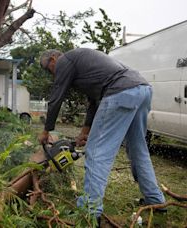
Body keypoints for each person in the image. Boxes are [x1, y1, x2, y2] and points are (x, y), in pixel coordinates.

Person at [37, 48, 165, 220]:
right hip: (142, 89)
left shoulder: (64, 61)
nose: (52, 74)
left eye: (48, 69)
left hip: (121, 92)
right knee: (138, 149)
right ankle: (155, 200)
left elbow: (56, 98)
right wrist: (84, 132)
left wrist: (46, 130)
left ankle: (90, 209)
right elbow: (94, 102)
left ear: (53, 58)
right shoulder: (83, 64)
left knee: (96, 152)